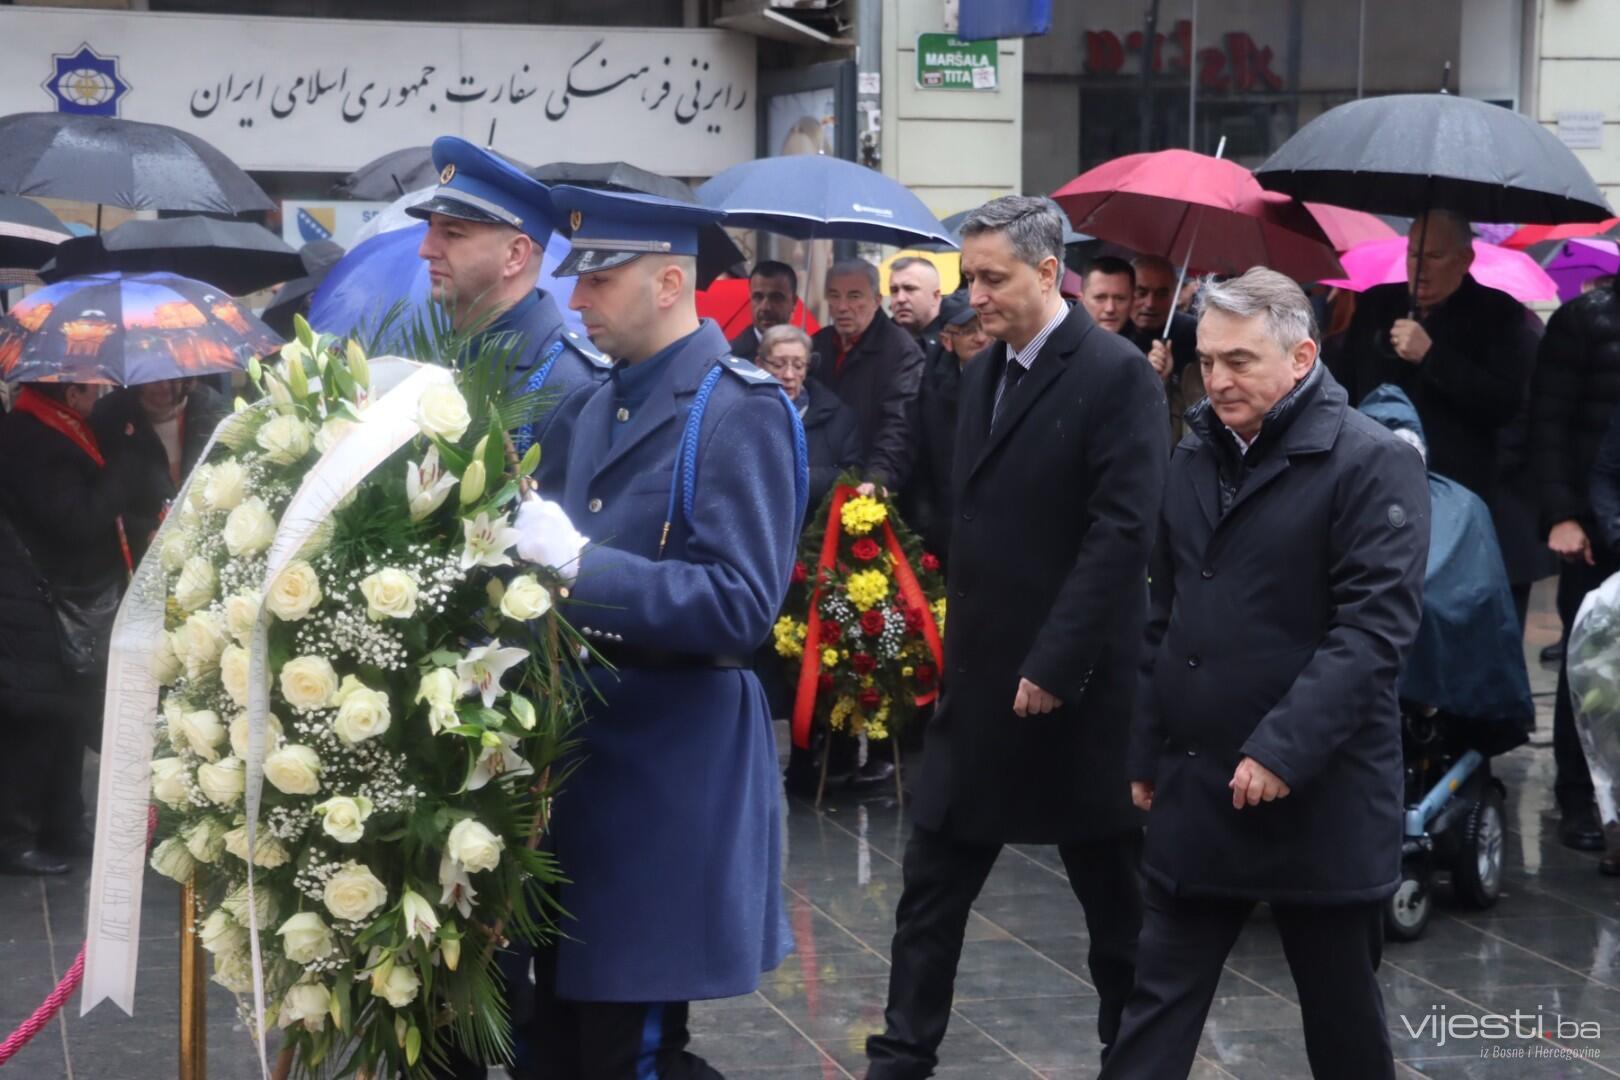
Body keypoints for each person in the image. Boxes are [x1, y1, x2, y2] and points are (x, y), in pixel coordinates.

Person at [866, 196, 1167, 1078]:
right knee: (930, 892)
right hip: (981, 686)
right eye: (969, 276)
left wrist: (1056, 661)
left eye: (993, 277)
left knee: (1116, 905)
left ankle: (1138, 1056)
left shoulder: (1117, 376)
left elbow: (1123, 532)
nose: (975, 294)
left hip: (1073, 696)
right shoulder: (981, 369)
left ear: (1048, 273)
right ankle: (899, 1058)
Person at [511, 183, 806, 1079]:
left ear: (672, 283)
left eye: (601, 277)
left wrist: (578, 568)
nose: (579, 299)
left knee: (628, 1053)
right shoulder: (594, 401)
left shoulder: (737, 408)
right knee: (550, 1044)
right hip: (581, 774)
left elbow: (740, 604)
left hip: (668, 774)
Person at [1104, 269, 1429, 1080]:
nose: (1216, 380)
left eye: (1240, 361)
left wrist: (1282, 750)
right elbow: (1165, 617)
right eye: (1206, 360)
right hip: (1197, 785)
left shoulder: (1370, 461)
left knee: (1343, 1021)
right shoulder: (1192, 453)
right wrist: (1144, 747)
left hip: (1320, 797)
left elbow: (1372, 634)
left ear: (1301, 355)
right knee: (1154, 1012)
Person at [411, 136, 610, 494]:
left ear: (515, 256)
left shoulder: (573, 384)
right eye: (430, 230)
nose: (426, 250)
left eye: (453, 233)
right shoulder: (439, 358)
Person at [0, 381, 142, 875]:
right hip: (32, 597)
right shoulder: (29, 436)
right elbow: (76, 519)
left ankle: (64, 823)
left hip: (57, 597)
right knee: (32, 722)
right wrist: (122, 466)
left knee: (67, 716)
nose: (100, 392)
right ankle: (16, 837)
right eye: (91, 386)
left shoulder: (55, 425)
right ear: (69, 391)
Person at [1326, 210, 1531, 502]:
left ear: (1464, 260)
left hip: (1454, 483)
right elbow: (1346, 384)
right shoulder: (1377, 303)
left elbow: (1504, 403)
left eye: (1434, 257)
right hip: (1375, 473)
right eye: (1412, 255)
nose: (1420, 268)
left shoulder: (1497, 312)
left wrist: (1431, 357)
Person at [1530, 281, 1620, 851]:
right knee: (1587, 666)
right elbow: (1549, 424)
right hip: (1590, 528)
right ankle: (1578, 793)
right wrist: (1562, 514)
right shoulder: (1583, 320)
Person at [810, 259, 926, 493]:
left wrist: (878, 479)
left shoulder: (900, 350)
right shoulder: (817, 344)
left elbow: (899, 424)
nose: (842, 307)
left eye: (854, 297)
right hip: (821, 481)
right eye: (834, 295)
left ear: (876, 301)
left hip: (870, 484)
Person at [91, 377, 228, 564]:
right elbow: (101, 499)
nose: (163, 385)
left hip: (205, 543)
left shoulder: (211, 407)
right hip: (141, 555)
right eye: (153, 378)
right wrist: (146, 532)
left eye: (172, 377)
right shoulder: (109, 415)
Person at [900, 296, 986, 565]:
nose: (981, 338)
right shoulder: (930, 387)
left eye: (984, 326)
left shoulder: (1012, 376)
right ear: (947, 340)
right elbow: (920, 460)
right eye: (969, 330)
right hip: (946, 527)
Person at [1123, 254, 1198, 382]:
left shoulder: (1194, 334)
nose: (1150, 303)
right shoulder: (1112, 329)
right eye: (1141, 293)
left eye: (1161, 294)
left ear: (1174, 295)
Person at [729, 260, 798, 362]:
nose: (765, 307)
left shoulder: (807, 356)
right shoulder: (731, 357)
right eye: (758, 297)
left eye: (776, 298)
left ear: (793, 302)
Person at [888, 256, 945, 350]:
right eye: (894, 290)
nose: (900, 299)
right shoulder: (878, 340)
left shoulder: (956, 341)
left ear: (935, 296)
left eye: (909, 289)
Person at [1078, 255, 1135, 335]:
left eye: (1119, 299)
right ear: (1081, 301)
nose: (1110, 309)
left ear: (1133, 301)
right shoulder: (1059, 342)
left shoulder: (1145, 346)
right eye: (1100, 298)